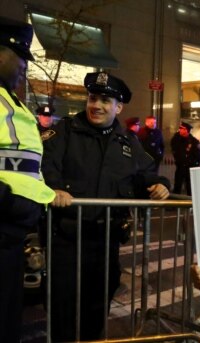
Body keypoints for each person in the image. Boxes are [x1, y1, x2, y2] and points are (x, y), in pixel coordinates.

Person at [41, 71, 171, 341]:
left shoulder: (128, 143)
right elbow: (45, 164)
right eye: (92, 98)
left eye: (105, 101)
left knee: (97, 306)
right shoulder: (65, 130)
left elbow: (146, 172)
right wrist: (54, 188)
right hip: (67, 238)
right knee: (62, 307)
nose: (96, 105)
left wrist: (160, 184)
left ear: (118, 107)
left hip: (105, 241)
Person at [0, 17, 56, 343]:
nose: (24, 66)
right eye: (19, 56)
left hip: (12, 232)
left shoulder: (9, 97)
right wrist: (7, 201)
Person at [171, 121, 200, 195]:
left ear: (187, 130)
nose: (180, 130)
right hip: (180, 167)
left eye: (182, 129)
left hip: (190, 167)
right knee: (177, 186)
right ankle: (175, 204)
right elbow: (174, 148)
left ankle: (190, 203)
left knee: (190, 187)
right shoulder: (176, 139)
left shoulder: (194, 142)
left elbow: (199, 156)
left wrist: (194, 165)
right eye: (180, 128)